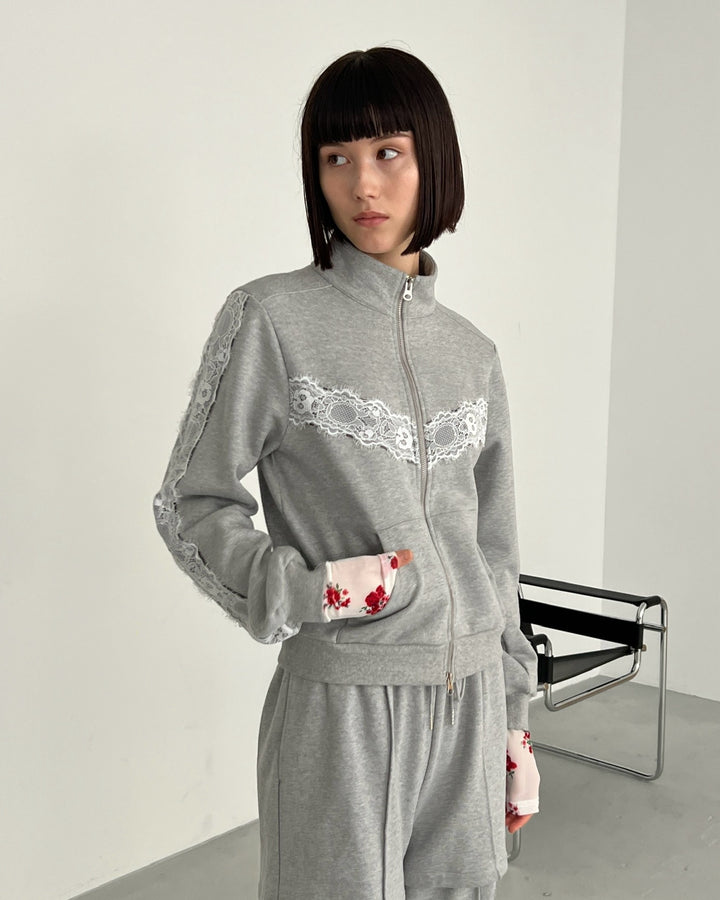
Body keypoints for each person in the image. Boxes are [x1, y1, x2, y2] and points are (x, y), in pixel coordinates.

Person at [153, 46, 540, 900]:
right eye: (337, 157)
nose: (363, 185)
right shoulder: (272, 319)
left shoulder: (473, 353)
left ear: (433, 161)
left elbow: (495, 549)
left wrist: (514, 717)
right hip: (344, 710)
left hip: (473, 702)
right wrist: (309, 592)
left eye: (388, 153)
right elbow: (191, 504)